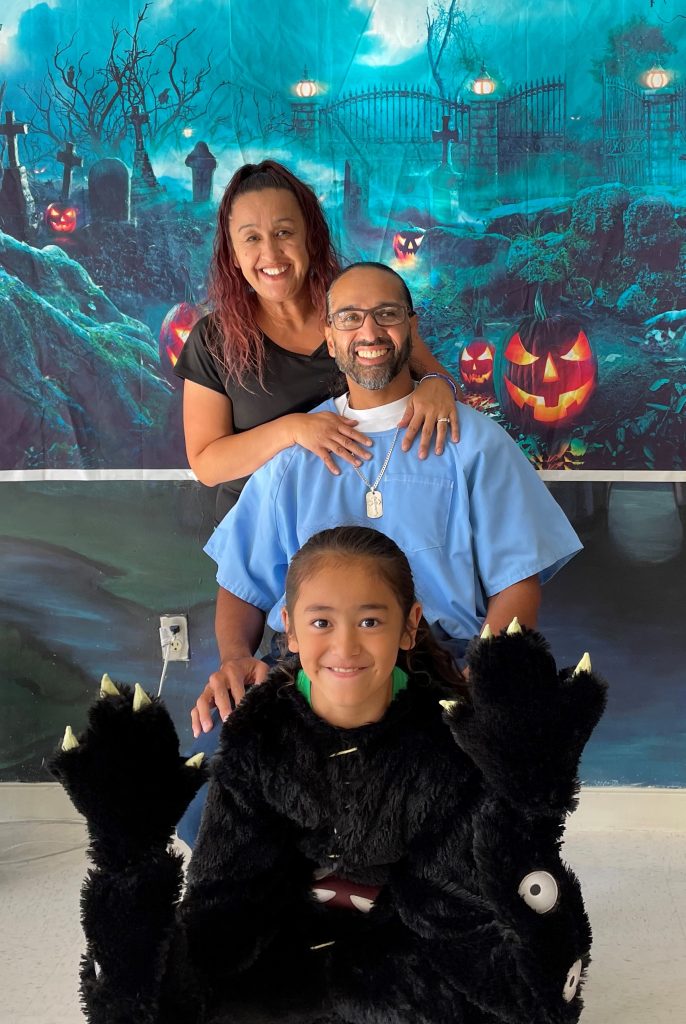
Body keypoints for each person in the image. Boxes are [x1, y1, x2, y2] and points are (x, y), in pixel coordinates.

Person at [51, 526, 607, 1024]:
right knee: (152, 989)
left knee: (523, 997)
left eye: (370, 620)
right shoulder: (259, 736)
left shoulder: (447, 743)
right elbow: (229, 892)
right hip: (280, 939)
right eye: (321, 622)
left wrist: (528, 812)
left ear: (409, 626)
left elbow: (451, 907)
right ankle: (128, 863)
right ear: (289, 629)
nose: (345, 646)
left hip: (410, 941)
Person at [193, 262, 583, 741]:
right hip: (311, 675)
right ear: (330, 338)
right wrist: (235, 658)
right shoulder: (295, 454)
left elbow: (518, 581)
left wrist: (484, 676)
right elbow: (241, 581)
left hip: (442, 670)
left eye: (387, 314)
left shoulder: (474, 442)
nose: (370, 331)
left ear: (411, 328)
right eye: (350, 317)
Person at [174, 160, 461, 525]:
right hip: (262, 537)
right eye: (252, 238)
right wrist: (293, 429)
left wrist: (439, 386)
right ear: (232, 254)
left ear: (310, 237)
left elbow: (447, 385)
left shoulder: (358, 313)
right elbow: (207, 464)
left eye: (283, 233)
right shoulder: (212, 340)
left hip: (368, 524)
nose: (271, 254)